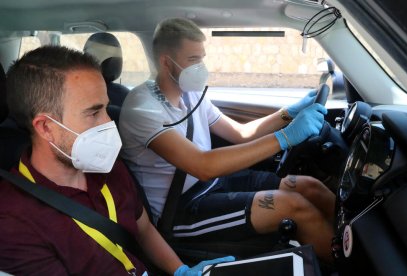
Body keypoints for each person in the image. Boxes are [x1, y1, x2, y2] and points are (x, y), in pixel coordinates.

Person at [0, 46, 233, 275]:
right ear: (46, 127)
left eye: (106, 108)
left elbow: (143, 230)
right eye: (93, 113)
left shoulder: (106, 165)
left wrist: (179, 269)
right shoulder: (14, 221)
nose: (109, 123)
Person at [119, 17, 335, 262]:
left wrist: (288, 113)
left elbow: (241, 134)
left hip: (215, 186)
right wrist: (286, 136)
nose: (200, 67)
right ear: (166, 63)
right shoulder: (143, 108)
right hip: (180, 210)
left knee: (309, 186)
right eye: (193, 60)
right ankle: (347, 266)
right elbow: (203, 166)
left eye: (201, 58)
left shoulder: (192, 94)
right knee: (292, 206)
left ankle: (350, 240)